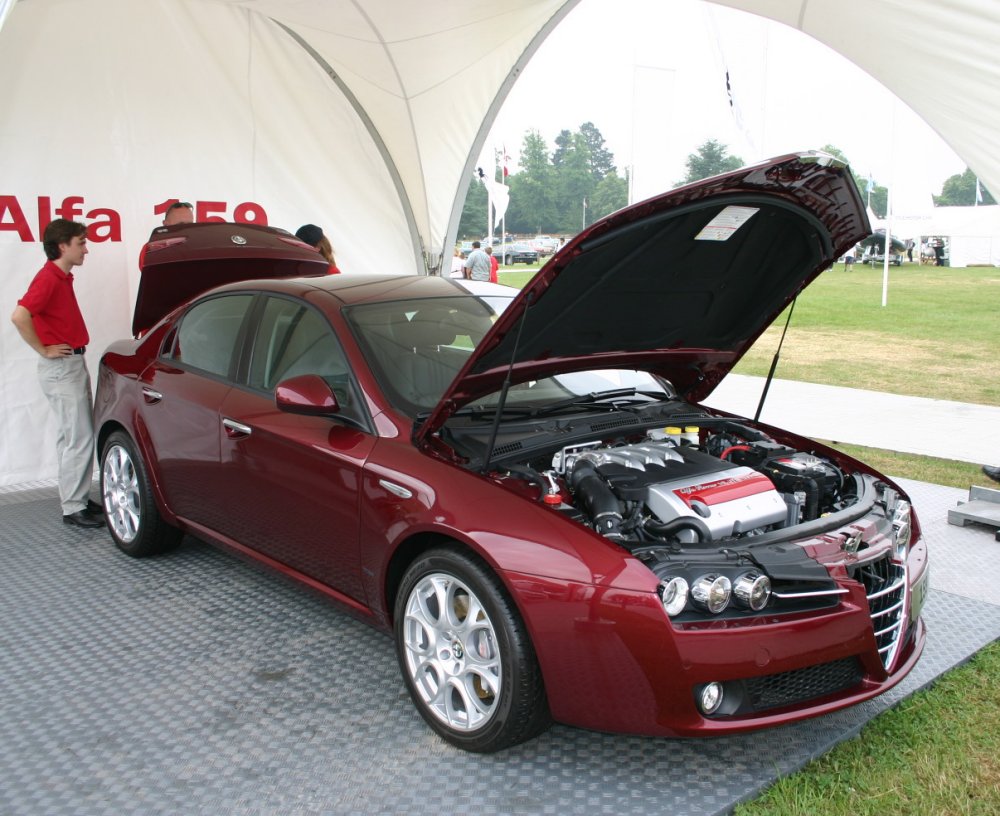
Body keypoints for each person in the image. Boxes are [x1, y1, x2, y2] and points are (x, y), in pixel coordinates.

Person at [10, 219, 103, 529]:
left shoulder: (61, 277)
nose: (86, 249)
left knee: (72, 435)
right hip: (62, 367)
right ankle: (74, 506)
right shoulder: (49, 278)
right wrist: (44, 349)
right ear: (63, 246)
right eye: (81, 243)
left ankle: (75, 498)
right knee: (79, 436)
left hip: (70, 365)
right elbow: (19, 315)